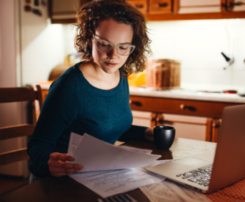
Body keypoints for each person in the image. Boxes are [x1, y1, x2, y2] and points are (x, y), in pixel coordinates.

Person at [27, 0, 153, 182]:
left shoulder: (120, 76)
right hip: (56, 182)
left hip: (94, 177)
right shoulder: (70, 87)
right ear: (89, 39)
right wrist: (49, 163)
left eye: (123, 47)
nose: (114, 55)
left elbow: (105, 128)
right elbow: (38, 144)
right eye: (104, 44)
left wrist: (145, 133)